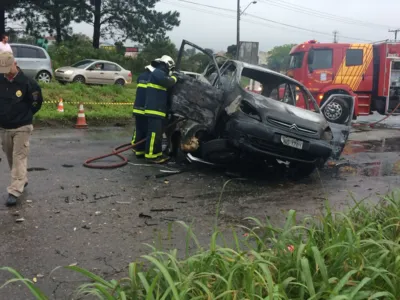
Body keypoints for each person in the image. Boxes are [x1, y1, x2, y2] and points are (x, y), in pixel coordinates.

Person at [0, 51, 43, 206]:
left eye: (7, 68)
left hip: (22, 126)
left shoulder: (28, 83)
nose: (5, 72)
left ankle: (14, 190)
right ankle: (21, 179)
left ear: (14, 64)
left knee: (19, 156)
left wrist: (26, 115)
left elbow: (36, 103)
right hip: (4, 127)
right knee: (10, 156)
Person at [144, 55, 179, 164]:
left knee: (157, 134)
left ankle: (157, 154)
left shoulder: (158, 73)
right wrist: (175, 77)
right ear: (168, 64)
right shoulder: (158, 72)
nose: (170, 70)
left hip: (157, 110)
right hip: (154, 110)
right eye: (171, 68)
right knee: (154, 134)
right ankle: (151, 156)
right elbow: (167, 82)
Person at [131, 64, 154, 158]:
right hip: (145, 109)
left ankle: (138, 149)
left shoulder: (141, 76)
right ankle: (143, 150)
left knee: (139, 129)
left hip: (137, 107)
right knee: (146, 130)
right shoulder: (152, 78)